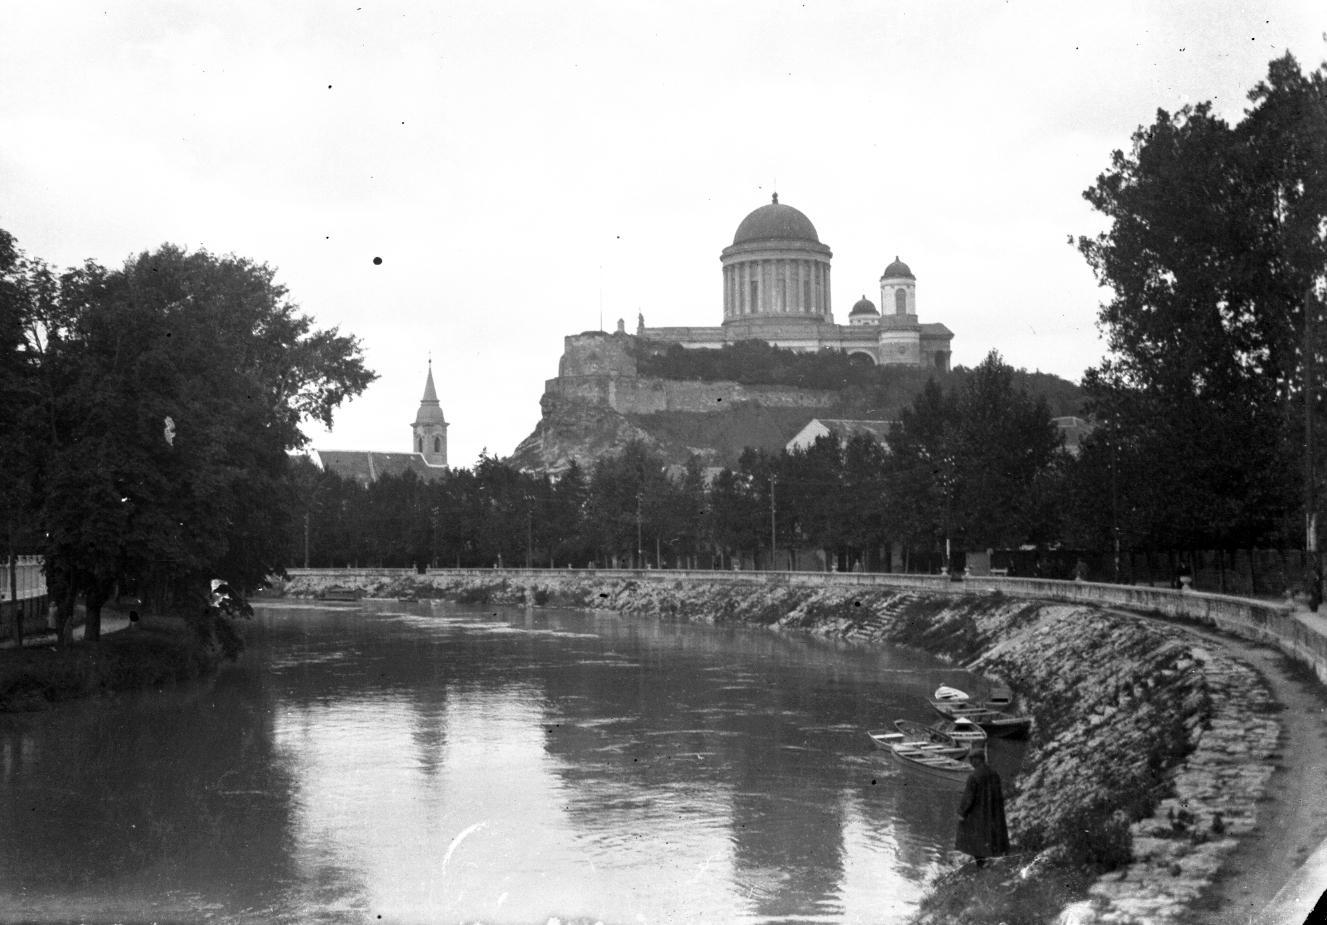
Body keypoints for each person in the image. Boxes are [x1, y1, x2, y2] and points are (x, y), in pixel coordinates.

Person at [955, 747, 1009, 866]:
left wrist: (962, 812)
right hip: (992, 811)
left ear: (978, 759)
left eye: (972, 759)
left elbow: (968, 797)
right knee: (990, 835)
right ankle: (991, 857)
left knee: (974, 836)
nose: (971, 763)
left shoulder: (974, 776)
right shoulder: (994, 773)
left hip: (978, 812)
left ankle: (980, 864)